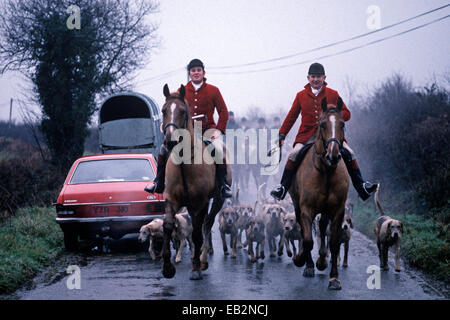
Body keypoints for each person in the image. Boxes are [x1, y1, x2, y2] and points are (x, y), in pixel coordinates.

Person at [270, 62, 378, 201]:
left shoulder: (333, 94)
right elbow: (292, 116)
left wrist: (335, 116)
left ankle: (361, 186)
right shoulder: (301, 95)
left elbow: (347, 113)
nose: (316, 80)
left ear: (324, 78)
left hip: (331, 135)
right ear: (308, 78)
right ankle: (283, 187)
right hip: (307, 136)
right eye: (313, 77)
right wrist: (282, 134)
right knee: (293, 154)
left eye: (319, 77)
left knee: (350, 153)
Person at [146, 58, 232, 198]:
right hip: (185, 132)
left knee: (218, 149)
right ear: (189, 73)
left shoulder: (213, 90)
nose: (196, 73)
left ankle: (223, 185)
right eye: (193, 70)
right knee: (163, 149)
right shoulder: (181, 91)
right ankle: (158, 182)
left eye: (199, 70)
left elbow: (224, 112)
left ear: (204, 72)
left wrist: (219, 130)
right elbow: (171, 109)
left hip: (207, 130)